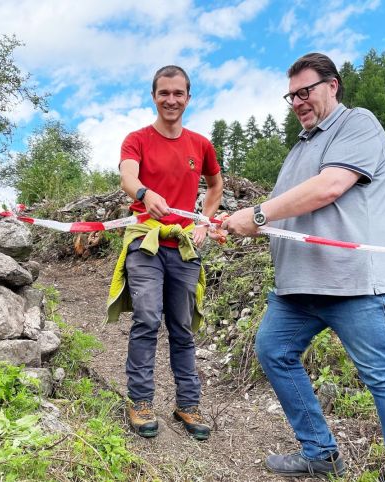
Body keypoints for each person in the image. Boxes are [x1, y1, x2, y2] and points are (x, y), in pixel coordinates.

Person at [221, 53, 385, 481]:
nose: (297, 101)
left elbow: (330, 187)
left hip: (353, 284)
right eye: (291, 95)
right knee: (274, 350)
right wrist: (236, 224)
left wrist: (256, 214)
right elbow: (283, 215)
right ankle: (320, 453)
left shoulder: (358, 124)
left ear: (333, 85)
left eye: (305, 91)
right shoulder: (300, 148)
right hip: (298, 289)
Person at [106, 65, 223, 441]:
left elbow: (216, 184)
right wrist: (143, 193)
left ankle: (187, 405)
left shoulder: (201, 145)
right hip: (146, 242)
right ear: (153, 96)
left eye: (178, 93)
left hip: (184, 245)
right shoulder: (136, 139)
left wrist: (205, 221)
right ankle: (139, 401)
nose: (171, 100)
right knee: (146, 316)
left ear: (188, 98)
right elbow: (128, 176)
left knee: (183, 327)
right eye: (164, 93)